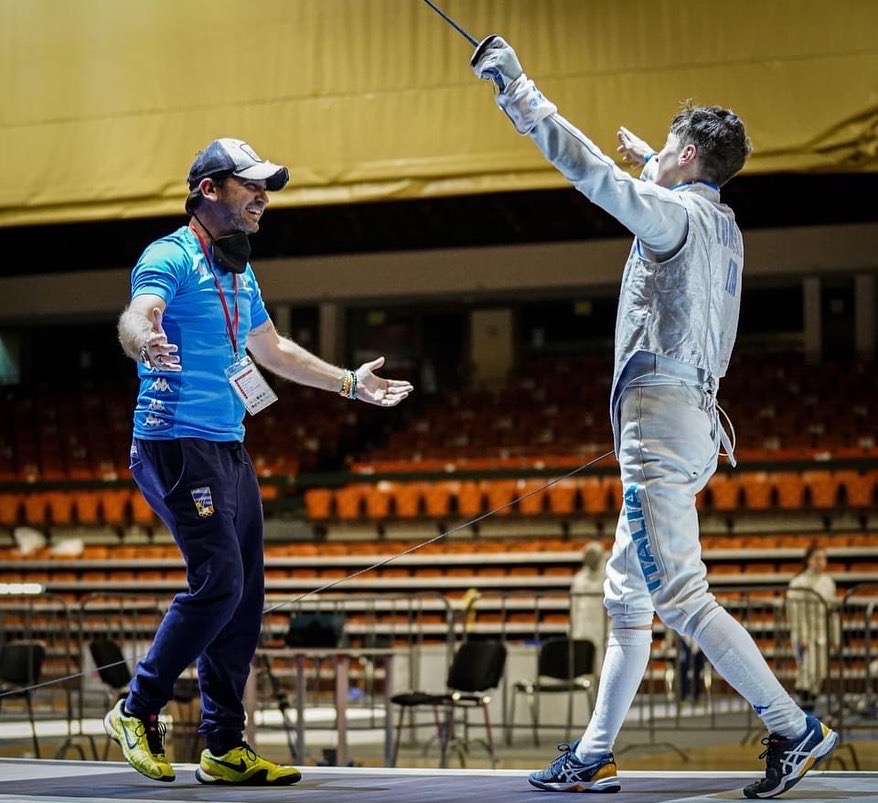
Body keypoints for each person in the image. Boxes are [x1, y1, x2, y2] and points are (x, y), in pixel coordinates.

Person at [469, 37, 837, 798]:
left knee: (681, 598)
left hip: (660, 427)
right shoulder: (725, 225)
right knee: (628, 597)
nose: (656, 156)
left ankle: (793, 726)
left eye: (670, 148)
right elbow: (669, 200)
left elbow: (592, 174)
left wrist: (518, 90)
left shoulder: (673, 216)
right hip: (694, 422)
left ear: (691, 155)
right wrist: (655, 163)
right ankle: (595, 753)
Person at [108, 137, 414, 785]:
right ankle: (136, 708)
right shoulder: (169, 255)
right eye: (250, 185)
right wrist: (146, 341)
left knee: (244, 597)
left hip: (227, 444)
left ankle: (223, 745)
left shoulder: (238, 271)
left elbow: (271, 349)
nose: (263, 197)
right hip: (174, 441)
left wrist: (349, 383)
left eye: (266, 187)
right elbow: (139, 314)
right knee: (219, 581)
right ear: (208, 190)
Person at [787, 543, 839, 713]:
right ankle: (803, 713)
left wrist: (835, 636)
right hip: (806, 636)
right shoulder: (798, 582)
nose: (821, 562)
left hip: (822, 635)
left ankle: (810, 712)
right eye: (817, 558)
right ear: (809, 560)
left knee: (819, 674)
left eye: (824, 558)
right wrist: (802, 636)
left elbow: (832, 611)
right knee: (807, 674)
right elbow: (796, 612)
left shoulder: (828, 582)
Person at [569, 541, 609, 676]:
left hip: (603, 630)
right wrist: (574, 630)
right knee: (582, 669)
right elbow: (574, 608)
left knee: (603, 669)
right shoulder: (579, 580)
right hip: (582, 631)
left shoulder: (608, 580)